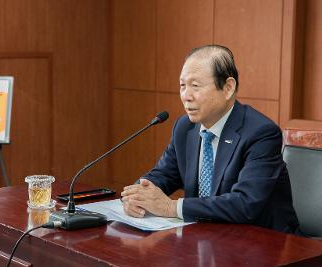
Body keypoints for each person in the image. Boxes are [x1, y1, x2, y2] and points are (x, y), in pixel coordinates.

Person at [121, 45, 299, 233]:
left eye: (195, 86)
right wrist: (136, 195)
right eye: (183, 85)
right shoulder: (185, 128)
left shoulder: (261, 133)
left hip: (265, 244)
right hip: (206, 239)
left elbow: (245, 204)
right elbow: (162, 175)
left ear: (228, 88)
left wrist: (171, 208)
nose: (186, 96)